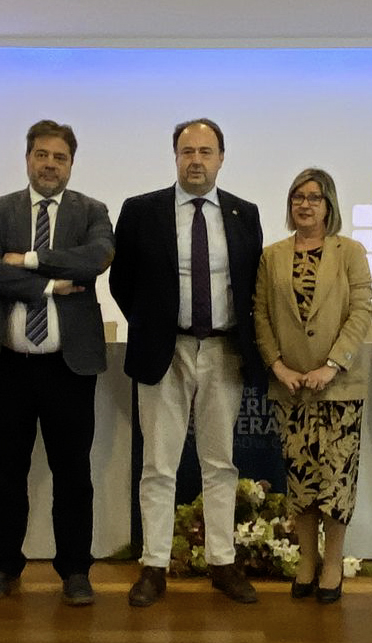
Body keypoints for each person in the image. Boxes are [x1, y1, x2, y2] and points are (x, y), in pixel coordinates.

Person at [111, 118, 264, 607]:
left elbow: (249, 284)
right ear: (174, 156)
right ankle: (153, 567)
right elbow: (121, 282)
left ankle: (222, 563)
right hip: (165, 351)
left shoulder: (245, 214)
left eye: (205, 151)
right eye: (187, 151)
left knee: (220, 464)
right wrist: (155, 324)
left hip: (223, 350)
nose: (196, 160)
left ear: (222, 157)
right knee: (158, 466)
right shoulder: (141, 211)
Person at [0, 120, 114, 607]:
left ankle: (75, 569)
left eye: (60, 157)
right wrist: (50, 284)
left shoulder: (92, 212)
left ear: (71, 163)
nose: (50, 164)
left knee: (73, 472)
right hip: (6, 365)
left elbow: (95, 260)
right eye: (41, 155)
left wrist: (27, 261)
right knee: (4, 470)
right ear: (27, 159)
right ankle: (2, 564)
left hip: (67, 368)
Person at [252, 168, 372, 604]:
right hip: (291, 385)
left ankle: (333, 562)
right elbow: (261, 316)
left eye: (315, 198)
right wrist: (277, 366)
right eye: (298, 197)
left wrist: (332, 366)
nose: (305, 204)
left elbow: (361, 312)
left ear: (330, 205)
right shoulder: (272, 256)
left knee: (336, 479)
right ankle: (306, 559)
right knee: (300, 478)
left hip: (338, 386)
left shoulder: (351, 252)